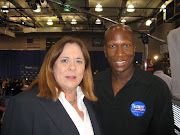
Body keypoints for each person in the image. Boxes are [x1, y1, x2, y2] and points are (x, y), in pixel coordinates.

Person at [1, 36, 103, 135]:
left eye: (78, 61)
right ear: (51, 67)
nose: (72, 67)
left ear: (85, 68)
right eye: (64, 60)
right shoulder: (24, 104)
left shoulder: (90, 103)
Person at [93, 23, 174, 135]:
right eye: (112, 46)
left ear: (134, 48)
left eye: (126, 45)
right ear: (105, 51)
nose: (120, 53)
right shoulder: (93, 85)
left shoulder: (156, 88)